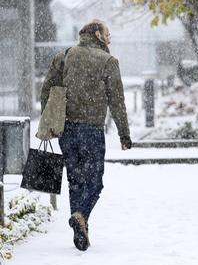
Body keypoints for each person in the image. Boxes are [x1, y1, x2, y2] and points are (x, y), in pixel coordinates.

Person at [41, 20, 131, 251]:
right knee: (95, 181)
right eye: (108, 34)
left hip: (67, 130)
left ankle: (80, 227)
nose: (110, 38)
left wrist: (50, 121)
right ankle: (81, 216)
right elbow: (117, 101)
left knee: (75, 180)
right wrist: (124, 134)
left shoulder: (64, 56)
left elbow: (47, 89)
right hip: (91, 130)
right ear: (98, 34)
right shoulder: (109, 62)